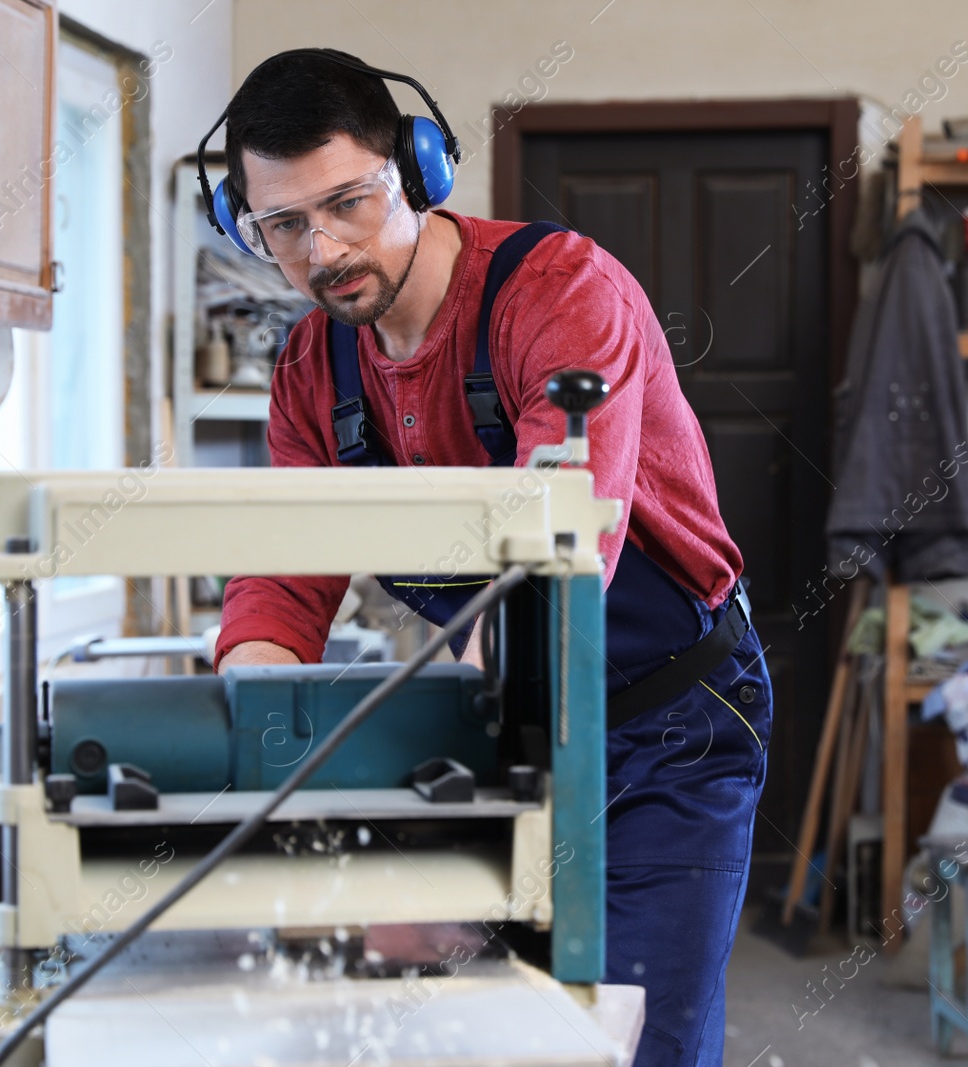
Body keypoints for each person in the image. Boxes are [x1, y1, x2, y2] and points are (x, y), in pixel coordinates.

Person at [208, 48, 773, 1067]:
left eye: (347, 202)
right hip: (495, 722)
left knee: (637, 1035)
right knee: (472, 1033)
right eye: (282, 225)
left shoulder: (557, 294)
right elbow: (285, 574)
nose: (323, 248)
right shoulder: (309, 372)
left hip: (665, 724)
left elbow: (564, 551)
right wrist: (255, 730)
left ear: (416, 171)